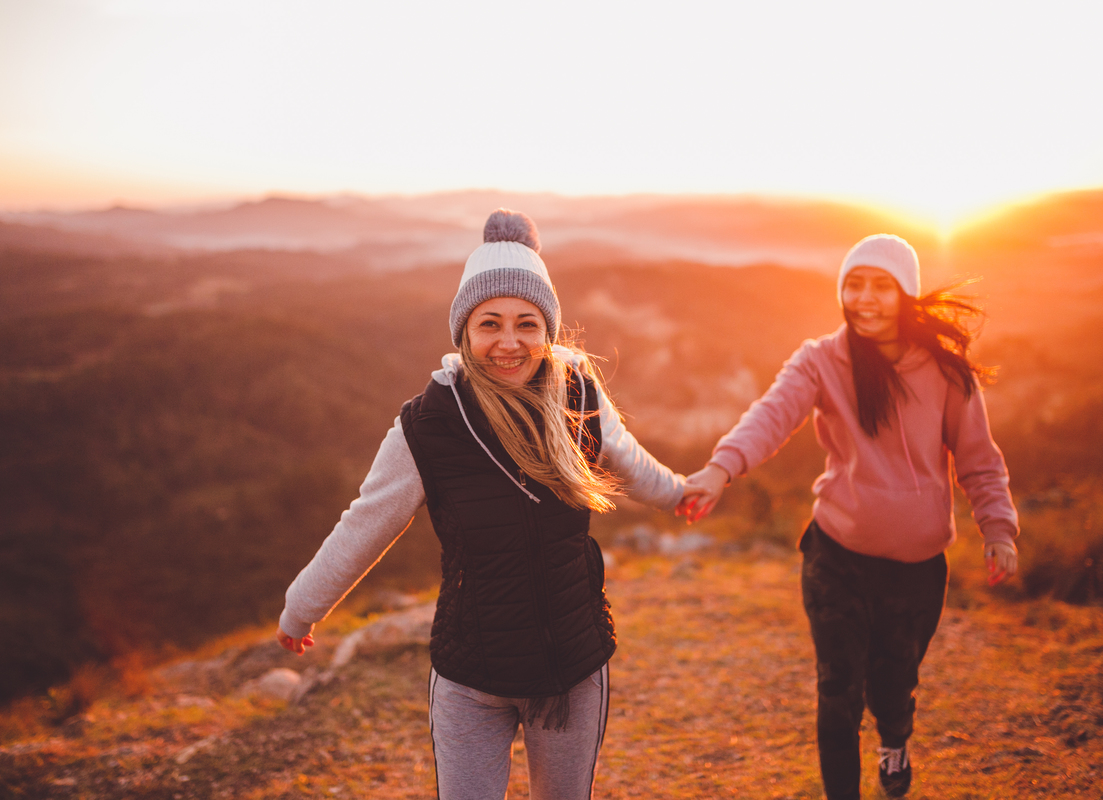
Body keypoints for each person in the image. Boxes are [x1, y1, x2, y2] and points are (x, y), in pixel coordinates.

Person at [276, 209, 685, 800]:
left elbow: (631, 462)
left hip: (571, 667)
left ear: (548, 331)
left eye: (527, 324)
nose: (509, 343)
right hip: (471, 676)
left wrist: (681, 494)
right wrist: (303, 606)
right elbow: (368, 520)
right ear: (464, 332)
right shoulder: (429, 423)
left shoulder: (577, 395)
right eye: (489, 324)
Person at [681, 234, 1019, 800]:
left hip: (916, 569)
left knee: (892, 686)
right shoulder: (821, 360)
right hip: (836, 556)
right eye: (853, 284)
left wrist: (999, 529)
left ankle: (895, 739)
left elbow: (980, 461)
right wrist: (720, 469)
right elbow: (770, 416)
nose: (863, 298)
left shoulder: (947, 374)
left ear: (906, 294)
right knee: (837, 693)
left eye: (880, 286)